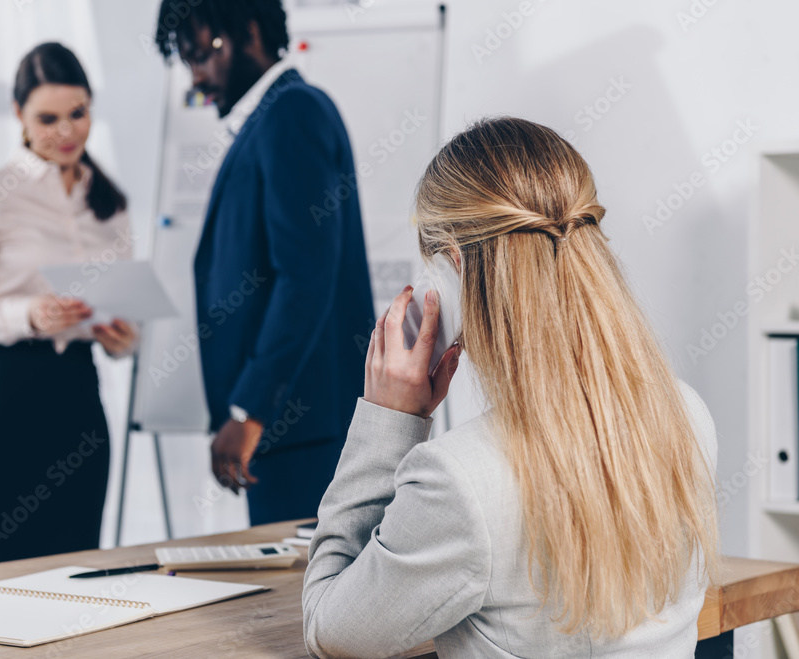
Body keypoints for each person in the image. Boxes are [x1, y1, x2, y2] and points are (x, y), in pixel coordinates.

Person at [302, 117, 720, 658]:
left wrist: (388, 421)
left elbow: (331, 632)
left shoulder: (462, 480)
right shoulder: (687, 416)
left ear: (451, 272)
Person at [153, 0, 374, 525]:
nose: (195, 79)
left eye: (202, 53)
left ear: (249, 32)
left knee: (304, 605)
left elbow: (303, 277)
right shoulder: (271, 119)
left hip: (302, 430)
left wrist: (250, 410)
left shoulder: (292, 113)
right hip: (294, 430)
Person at [0, 42, 137, 568]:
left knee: (72, 583)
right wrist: (26, 313)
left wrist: (122, 339)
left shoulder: (110, 204)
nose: (66, 132)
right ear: (17, 114)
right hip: (4, 403)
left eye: (78, 114)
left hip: (79, 406)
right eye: (48, 118)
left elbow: (123, 311)